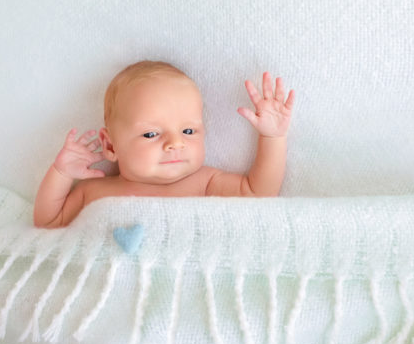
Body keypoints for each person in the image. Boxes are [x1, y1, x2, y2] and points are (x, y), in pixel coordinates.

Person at [33, 60, 295, 228]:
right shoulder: (94, 192)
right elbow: (48, 222)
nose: (175, 143)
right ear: (110, 146)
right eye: (151, 134)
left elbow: (259, 194)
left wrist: (272, 137)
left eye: (189, 130)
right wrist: (61, 173)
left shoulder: (205, 183)